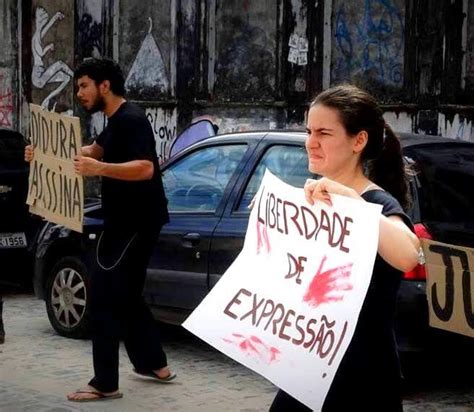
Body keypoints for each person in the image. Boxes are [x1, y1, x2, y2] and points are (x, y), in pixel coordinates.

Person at [25, 58, 174, 402]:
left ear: (104, 85)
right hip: (137, 220)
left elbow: (145, 168)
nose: (79, 93)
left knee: (104, 295)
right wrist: (45, 155)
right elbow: (93, 150)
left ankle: (105, 383)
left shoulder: (132, 119)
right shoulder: (117, 120)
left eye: (83, 86)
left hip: (131, 223)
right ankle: (155, 364)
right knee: (128, 294)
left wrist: (98, 168)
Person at [269, 84, 420, 411]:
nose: (311, 142)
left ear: (359, 141)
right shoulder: (312, 201)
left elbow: (408, 253)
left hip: (362, 378)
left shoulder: (376, 201)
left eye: (324, 132)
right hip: (309, 366)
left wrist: (353, 202)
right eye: (309, 131)